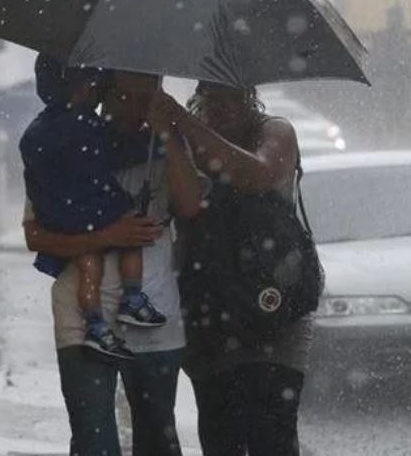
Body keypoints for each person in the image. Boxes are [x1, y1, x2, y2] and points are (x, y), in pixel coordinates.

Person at [23, 71, 203, 456]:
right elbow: (35, 236)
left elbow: (189, 205)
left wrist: (169, 135)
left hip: (153, 315)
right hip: (83, 317)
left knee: (158, 439)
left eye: (146, 97)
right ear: (105, 93)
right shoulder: (64, 143)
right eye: (126, 97)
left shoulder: (166, 144)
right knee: (94, 441)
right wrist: (104, 237)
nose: (136, 108)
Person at [149, 82, 312, 456]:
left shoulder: (275, 131)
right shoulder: (183, 140)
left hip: (276, 309)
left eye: (232, 97)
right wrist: (171, 132)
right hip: (209, 311)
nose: (222, 107)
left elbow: (254, 174)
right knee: (221, 433)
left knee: (273, 431)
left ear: (249, 95)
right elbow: (184, 204)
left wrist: (184, 123)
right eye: (212, 97)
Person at [20, 55, 167, 360]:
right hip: (96, 207)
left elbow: (33, 172)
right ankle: (133, 297)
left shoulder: (37, 131)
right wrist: (159, 140)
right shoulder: (89, 128)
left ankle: (96, 326)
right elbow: (118, 151)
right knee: (132, 231)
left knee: (89, 267)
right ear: (85, 88)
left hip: (62, 213)